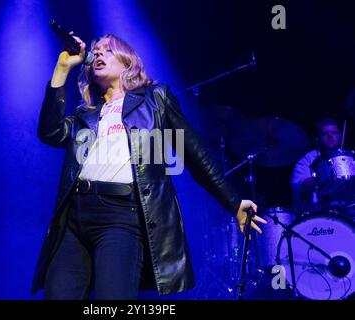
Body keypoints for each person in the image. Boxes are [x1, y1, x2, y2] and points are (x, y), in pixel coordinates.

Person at [33, 33, 266, 300]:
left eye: (107, 50)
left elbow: (195, 155)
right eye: (95, 51)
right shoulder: (85, 114)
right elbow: (49, 132)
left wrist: (233, 203)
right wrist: (62, 67)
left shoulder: (156, 99)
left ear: (127, 61)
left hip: (121, 217)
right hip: (74, 217)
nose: (98, 54)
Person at [290, 118, 346, 209]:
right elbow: (300, 185)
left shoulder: (348, 157)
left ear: (340, 136)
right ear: (317, 139)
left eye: (334, 133)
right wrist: (326, 179)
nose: (330, 135)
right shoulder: (307, 159)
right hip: (318, 212)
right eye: (325, 133)